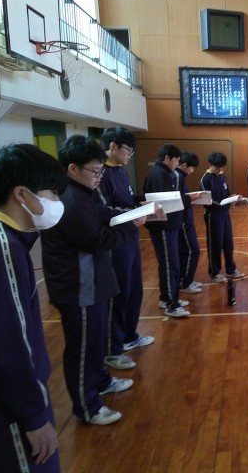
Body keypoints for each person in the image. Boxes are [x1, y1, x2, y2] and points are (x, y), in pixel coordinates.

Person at [41, 135, 136, 426]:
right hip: (78, 287)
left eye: (101, 171)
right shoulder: (70, 199)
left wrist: (130, 215)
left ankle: (101, 381)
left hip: (93, 283)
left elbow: (103, 216)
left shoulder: (85, 193)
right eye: (95, 171)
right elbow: (97, 239)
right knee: (82, 348)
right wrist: (132, 225)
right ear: (72, 168)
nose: (99, 176)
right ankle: (87, 406)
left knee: (96, 341)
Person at [0, 144, 66, 471]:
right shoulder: (2, 249)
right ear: (22, 194)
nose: (57, 202)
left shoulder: (6, 240)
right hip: (8, 410)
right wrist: (34, 415)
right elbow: (9, 343)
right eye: (52, 193)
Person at [95, 127, 154, 373]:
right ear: (113, 146)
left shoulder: (121, 171)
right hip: (115, 244)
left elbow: (125, 201)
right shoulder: (101, 173)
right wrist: (134, 212)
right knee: (118, 295)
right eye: (128, 150)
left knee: (134, 291)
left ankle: (130, 335)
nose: (130, 155)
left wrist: (141, 202)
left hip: (131, 238)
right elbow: (104, 210)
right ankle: (113, 349)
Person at [143, 143, 191, 318]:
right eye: (176, 160)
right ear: (167, 158)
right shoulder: (158, 175)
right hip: (163, 226)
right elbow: (167, 202)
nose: (177, 164)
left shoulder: (164, 173)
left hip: (169, 225)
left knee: (168, 263)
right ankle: (172, 304)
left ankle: (166, 298)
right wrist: (189, 199)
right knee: (171, 265)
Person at [200, 152, 245, 281]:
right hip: (213, 215)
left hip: (225, 214)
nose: (219, 170)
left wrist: (232, 198)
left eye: (221, 167)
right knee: (215, 244)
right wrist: (221, 203)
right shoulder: (205, 179)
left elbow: (227, 194)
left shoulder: (222, 176)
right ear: (211, 164)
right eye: (217, 167)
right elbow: (207, 200)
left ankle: (231, 269)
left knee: (228, 243)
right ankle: (215, 272)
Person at [175, 151, 202, 293]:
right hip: (183, 220)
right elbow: (177, 200)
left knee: (186, 251)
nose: (192, 171)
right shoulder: (178, 177)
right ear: (184, 165)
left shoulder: (181, 177)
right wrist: (190, 199)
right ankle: (185, 282)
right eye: (191, 168)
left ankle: (186, 280)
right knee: (193, 250)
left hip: (186, 218)